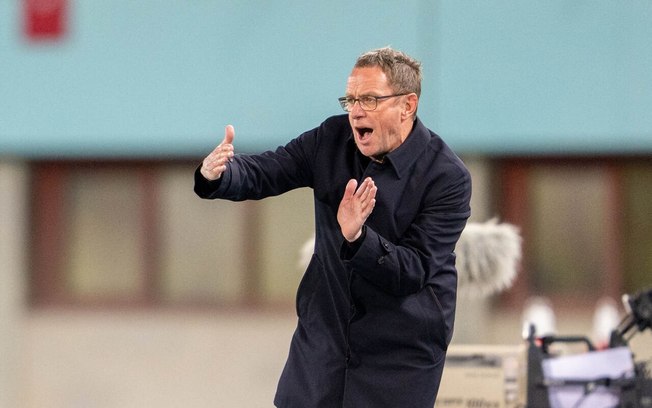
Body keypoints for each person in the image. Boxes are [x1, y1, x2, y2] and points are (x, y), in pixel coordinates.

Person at [194, 47, 472, 408]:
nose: (356, 111)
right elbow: (271, 169)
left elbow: (414, 271)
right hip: (323, 344)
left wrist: (358, 239)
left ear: (407, 105)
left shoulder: (447, 177)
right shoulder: (330, 138)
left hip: (398, 359)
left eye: (370, 99)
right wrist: (219, 174)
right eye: (351, 99)